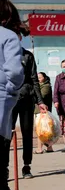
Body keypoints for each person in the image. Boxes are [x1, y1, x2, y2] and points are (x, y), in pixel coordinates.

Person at [6, 27, 48, 179]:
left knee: (27, 133)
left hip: (26, 101)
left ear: (19, 38)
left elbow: (34, 80)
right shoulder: (3, 55)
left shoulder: (27, 56)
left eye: (16, 35)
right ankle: (4, 168)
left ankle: (26, 166)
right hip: (8, 101)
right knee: (6, 135)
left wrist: (40, 101)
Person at [0, 0, 26, 190]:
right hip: (1, 97)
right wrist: (12, 90)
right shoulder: (8, 36)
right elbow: (16, 71)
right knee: (0, 146)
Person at [34, 72, 54, 153]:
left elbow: (41, 96)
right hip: (38, 111)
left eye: (40, 77)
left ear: (44, 78)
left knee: (41, 130)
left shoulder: (46, 86)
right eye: (37, 77)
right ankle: (49, 147)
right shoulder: (38, 86)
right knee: (45, 130)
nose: (38, 79)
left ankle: (40, 148)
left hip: (43, 111)